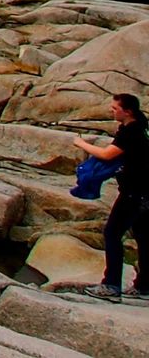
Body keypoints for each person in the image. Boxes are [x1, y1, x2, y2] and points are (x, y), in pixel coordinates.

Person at [73, 93, 148, 299]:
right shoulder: (142, 126)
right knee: (143, 237)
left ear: (128, 111)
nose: (111, 111)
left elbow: (107, 154)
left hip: (134, 193)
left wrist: (80, 143)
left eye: (115, 108)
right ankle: (144, 286)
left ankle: (111, 285)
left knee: (112, 233)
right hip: (145, 192)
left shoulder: (131, 132)